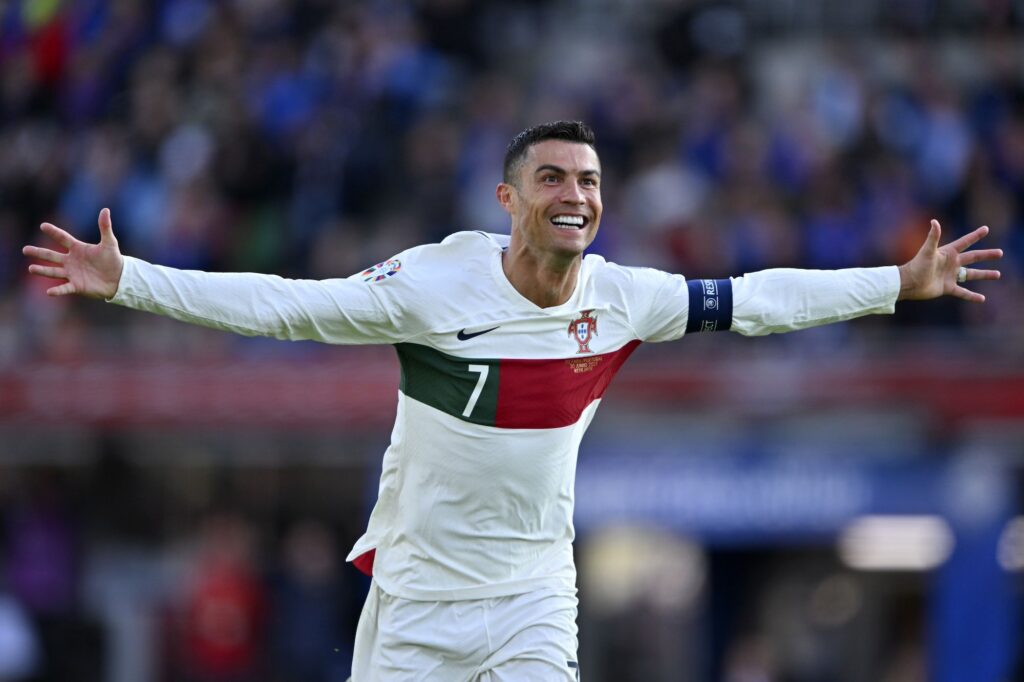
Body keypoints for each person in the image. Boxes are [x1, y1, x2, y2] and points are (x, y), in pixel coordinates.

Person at [22, 121, 1002, 681]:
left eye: (587, 179)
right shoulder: (432, 284)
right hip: (415, 601)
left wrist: (892, 283)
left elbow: (758, 301)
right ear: (507, 199)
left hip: (534, 594)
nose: (573, 192)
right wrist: (133, 280)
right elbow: (288, 309)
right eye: (551, 177)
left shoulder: (624, 298)